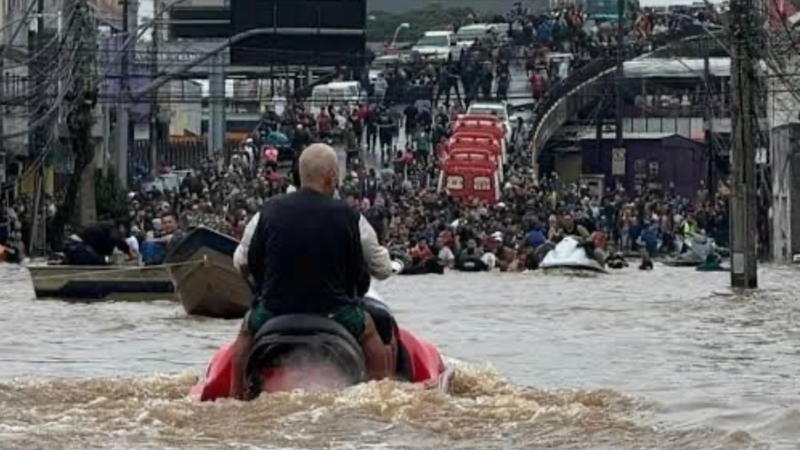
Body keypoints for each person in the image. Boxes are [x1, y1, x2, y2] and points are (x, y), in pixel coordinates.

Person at [229, 144, 394, 399]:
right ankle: (382, 396)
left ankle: (234, 399)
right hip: (335, 312)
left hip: (273, 310)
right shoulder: (352, 218)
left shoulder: (266, 213)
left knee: (245, 334)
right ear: (331, 176)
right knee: (370, 330)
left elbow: (240, 261)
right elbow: (382, 269)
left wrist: (258, 289)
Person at [63, 220, 135, 266]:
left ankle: (67, 259)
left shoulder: (107, 231)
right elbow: (117, 239)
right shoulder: (112, 227)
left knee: (100, 259)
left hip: (75, 246)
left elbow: (113, 243)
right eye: (124, 233)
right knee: (100, 259)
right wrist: (129, 252)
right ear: (122, 227)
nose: (123, 236)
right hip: (76, 245)